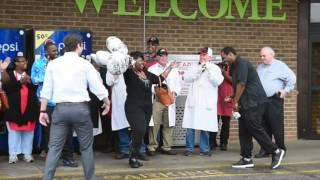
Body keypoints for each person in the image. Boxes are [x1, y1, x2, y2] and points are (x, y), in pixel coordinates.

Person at [39, 34, 110, 180]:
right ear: (79, 46)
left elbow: (46, 90)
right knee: (86, 148)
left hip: (60, 110)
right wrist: (106, 101)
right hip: (81, 110)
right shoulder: (84, 64)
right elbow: (96, 86)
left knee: (54, 148)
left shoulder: (53, 64)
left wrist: (42, 111)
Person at [220, 46, 285, 169]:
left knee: (255, 128)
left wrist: (235, 101)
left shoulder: (242, 64)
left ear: (230, 54)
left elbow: (242, 84)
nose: (224, 61)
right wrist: (233, 96)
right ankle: (246, 158)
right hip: (246, 102)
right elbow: (239, 84)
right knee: (244, 131)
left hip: (254, 102)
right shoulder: (234, 66)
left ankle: (276, 151)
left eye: (224, 58)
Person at [123, 51, 176, 168]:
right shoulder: (128, 73)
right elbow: (121, 68)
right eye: (139, 60)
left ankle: (134, 154)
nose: (142, 62)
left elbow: (160, 79)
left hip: (147, 108)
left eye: (143, 60)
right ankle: (132, 157)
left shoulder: (147, 73)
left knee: (141, 132)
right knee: (139, 130)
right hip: (133, 107)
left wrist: (170, 68)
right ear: (133, 62)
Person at [31, 40, 78, 167]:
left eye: (57, 50)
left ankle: (68, 157)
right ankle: (51, 157)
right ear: (46, 51)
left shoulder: (61, 63)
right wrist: (47, 75)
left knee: (67, 130)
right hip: (45, 103)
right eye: (53, 50)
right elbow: (34, 80)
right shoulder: (39, 63)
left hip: (61, 101)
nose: (56, 52)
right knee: (48, 131)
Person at [255, 47, 296, 158]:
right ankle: (266, 149)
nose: (262, 58)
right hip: (262, 100)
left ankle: (281, 149)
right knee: (264, 126)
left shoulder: (280, 66)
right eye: (261, 56)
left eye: (264, 56)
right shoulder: (260, 67)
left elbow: (292, 78)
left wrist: (286, 90)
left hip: (274, 99)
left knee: (276, 126)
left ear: (271, 55)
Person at [182, 47, 224, 157]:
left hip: (206, 102)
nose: (202, 56)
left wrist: (208, 69)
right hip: (194, 101)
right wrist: (198, 71)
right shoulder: (194, 67)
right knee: (190, 126)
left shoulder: (215, 68)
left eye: (204, 55)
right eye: (201, 54)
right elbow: (186, 78)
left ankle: (204, 149)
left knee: (205, 126)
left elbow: (218, 82)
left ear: (209, 56)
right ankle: (189, 148)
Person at [2, 53, 38, 164]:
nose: (25, 63)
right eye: (22, 61)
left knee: (28, 133)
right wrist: (19, 82)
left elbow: (35, 89)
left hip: (29, 109)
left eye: (25, 61)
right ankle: (13, 155)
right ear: (16, 63)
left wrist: (29, 82)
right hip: (14, 110)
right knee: (14, 133)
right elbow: (6, 88)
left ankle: (27, 154)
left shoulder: (29, 74)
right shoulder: (10, 75)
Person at [106, 70, 149, 161]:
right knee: (121, 126)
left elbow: (146, 84)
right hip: (119, 102)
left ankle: (140, 150)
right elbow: (109, 82)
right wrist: (117, 72)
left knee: (138, 128)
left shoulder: (137, 70)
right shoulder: (113, 68)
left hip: (135, 102)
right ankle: (124, 150)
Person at [147, 48, 181, 156]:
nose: (164, 58)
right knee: (155, 124)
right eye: (161, 56)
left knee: (168, 124)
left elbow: (178, 83)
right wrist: (158, 92)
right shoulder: (152, 69)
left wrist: (175, 93)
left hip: (170, 99)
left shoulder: (174, 70)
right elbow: (151, 84)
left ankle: (166, 147)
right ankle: (152, 147)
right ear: (157, 57)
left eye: (165, 55)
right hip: (157, 99)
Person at [210, 62, 233, 151]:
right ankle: (212, 142)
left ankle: (224, 143)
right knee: (214, 122)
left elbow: (232, 81)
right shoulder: (216, 68)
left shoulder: (232, 70)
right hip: (216, 99)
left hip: (227, 98)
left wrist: (223, 72)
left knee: (226, 123)